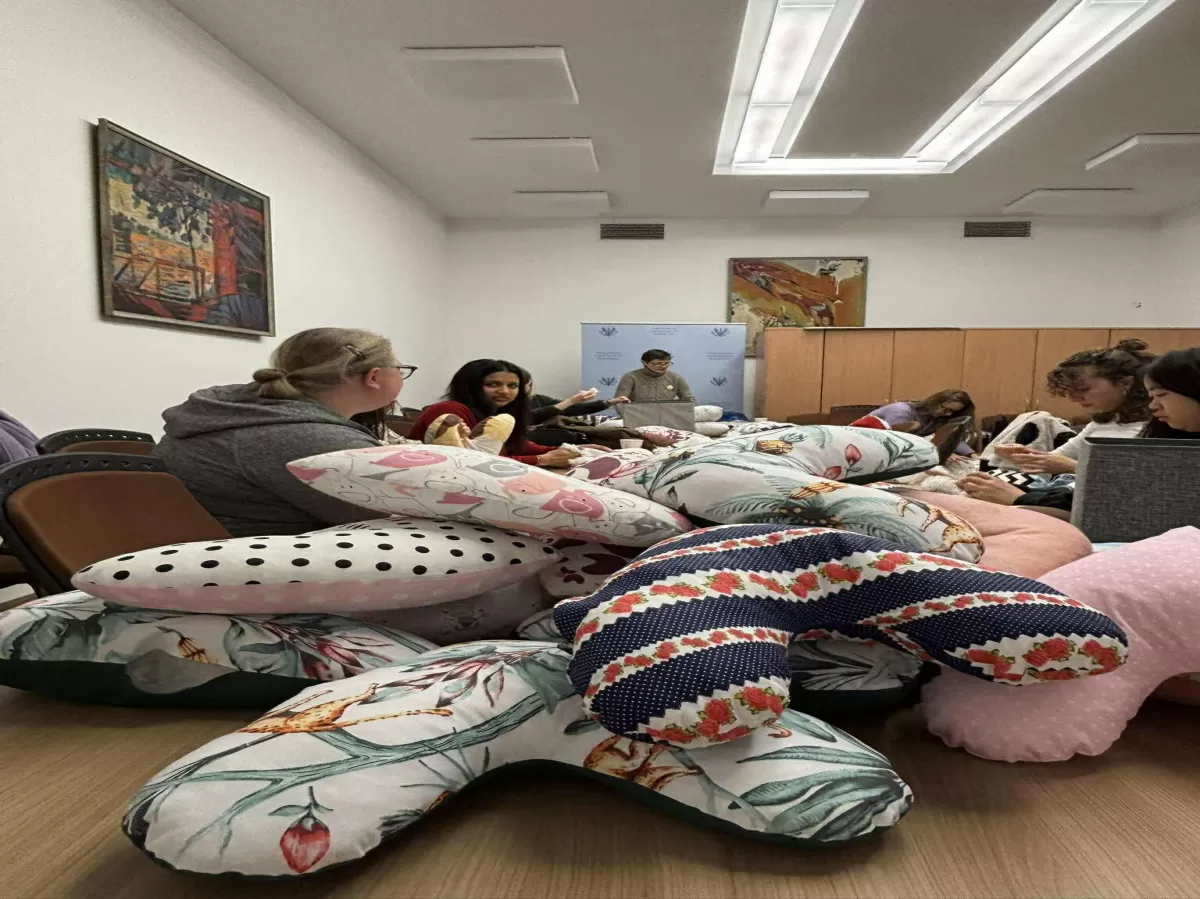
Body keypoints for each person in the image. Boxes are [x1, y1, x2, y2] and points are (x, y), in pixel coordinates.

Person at [154, 327, 416, 537]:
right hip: (266, 569)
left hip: (190, 559)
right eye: (401, 370)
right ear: (373, 377)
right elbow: (403, 516)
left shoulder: (236, 413)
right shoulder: (316, 440)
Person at [959, 341, 1189, 510]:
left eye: (1083, 390)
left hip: (1080, 498)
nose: (1073, 399)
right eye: (1068, 392)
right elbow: (1057, 459)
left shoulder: (1158, 428)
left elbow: (1130, 486)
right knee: (978, 483)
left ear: (1125, 384)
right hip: (1071, 495)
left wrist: (1066, 469)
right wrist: (1027, 456)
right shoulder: (1104, 422)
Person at [411, 360, 580, 468]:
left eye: (512, 386)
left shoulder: (499, 412)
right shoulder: (450, 410)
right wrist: (541, 459)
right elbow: (471, 462)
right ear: (470, 386)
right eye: (493, 384)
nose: (504, 391)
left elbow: (516, 444)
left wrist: (572, 450)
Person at [866, 389, 976, 456]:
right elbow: (895, 441)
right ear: (935, 401)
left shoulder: (935, 418)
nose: (947, 414)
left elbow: (949, 437)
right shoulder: (901, 410)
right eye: (945, 408)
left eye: (952, 412)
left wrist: (972, 454)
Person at [615, 350, 696, 404]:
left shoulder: (676, 377)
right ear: (644, 363)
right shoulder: (631, 377)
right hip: (638, 416)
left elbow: (688, 400)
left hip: (669, 416)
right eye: (658, 363)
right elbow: (619, 401)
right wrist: (628, 416)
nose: (663, 366)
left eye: (666, 363)